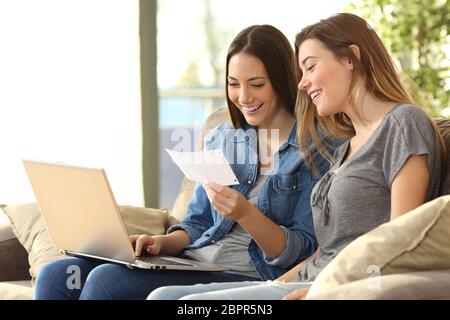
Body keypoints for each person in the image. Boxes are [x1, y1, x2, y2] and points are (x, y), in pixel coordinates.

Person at [147, 12, 445, 300]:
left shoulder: (403, 123)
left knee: (167, 300)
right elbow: (324, 251)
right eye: (301, 72)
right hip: (303, 280)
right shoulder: (346, 148)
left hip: (334, 287)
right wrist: (274, 286)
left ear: (351, 58)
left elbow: (401, 241)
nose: (301, 83)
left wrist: (323, 293)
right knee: (162, 295)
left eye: (311, 67)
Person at [34, 25, 333, 300]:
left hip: (247, 275)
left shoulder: (317, 149)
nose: (243, 97)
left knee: (106, 281)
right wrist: (161, 243)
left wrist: (245, 214)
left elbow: (300, 250)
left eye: (256, 84)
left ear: (282, 80)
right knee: (56, 274)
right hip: (195, 262)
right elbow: (198, 221)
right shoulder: (224, 137)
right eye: (233, 84)